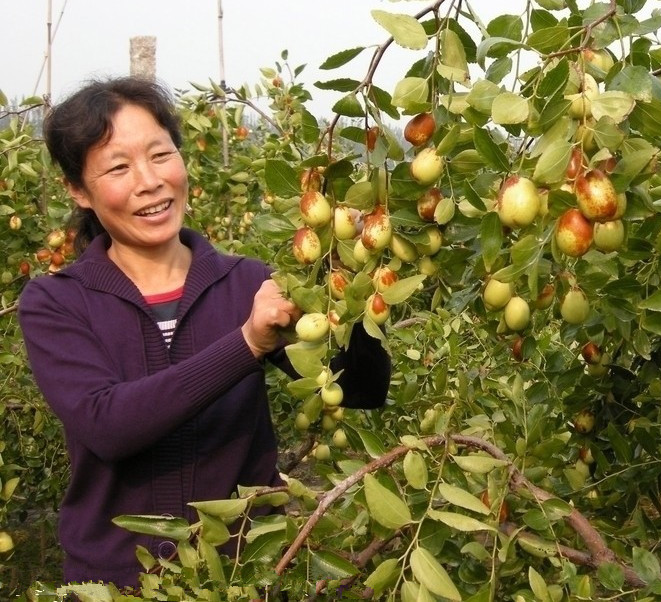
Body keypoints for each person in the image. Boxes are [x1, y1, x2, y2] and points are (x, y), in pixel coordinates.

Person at [17, 77, 391, 589]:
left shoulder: (248, 281)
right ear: (78, 190)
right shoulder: (56, 301)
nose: (149, 181)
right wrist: (247, 345)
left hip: (246, 575)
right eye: (119, 167)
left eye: (159, 154)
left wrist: (351, 283)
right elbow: (107, 425)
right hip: (117, 587)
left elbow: (363, 391)